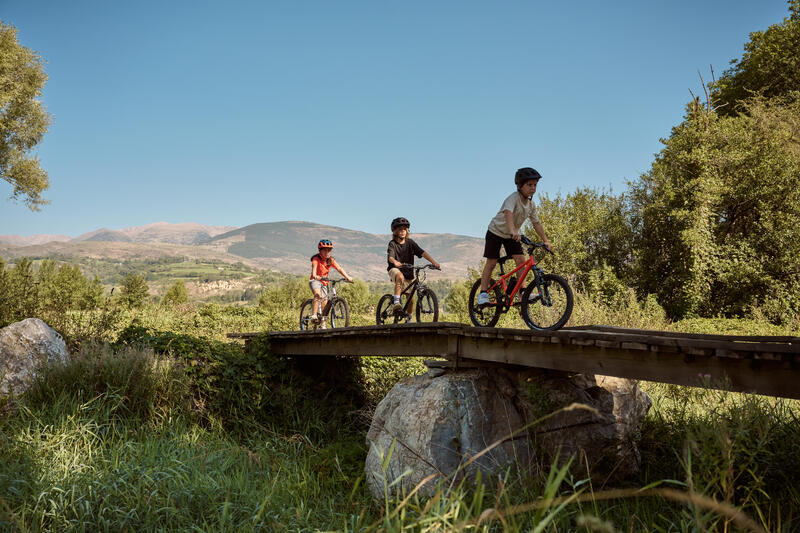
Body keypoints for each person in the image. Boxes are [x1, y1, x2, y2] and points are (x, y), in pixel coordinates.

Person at [476, 167, 552, 305]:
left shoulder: (531, 205)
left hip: (511, 235)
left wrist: (546, 241)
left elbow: (536, 223)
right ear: (519, 185)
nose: (533, 188)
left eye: (535, 185)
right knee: (492, 262)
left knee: (521, 260)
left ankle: (522, 293)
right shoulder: (513, 198)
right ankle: (482, 294)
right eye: (529, 185)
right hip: (496, 232)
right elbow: (508, 213)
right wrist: (513, 230)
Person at [386, 217, 440, 314]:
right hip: (394, 269)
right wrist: (395, 262)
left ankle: (409, 319)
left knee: (411, 299)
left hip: (408, 272)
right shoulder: (392, 244)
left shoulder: (410, 243)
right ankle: (396, 303)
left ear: (407, 231)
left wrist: (434, 262)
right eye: (400, 229)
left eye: (404, 229)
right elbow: (390, 257)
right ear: (395, 231)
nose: (402, 231)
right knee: (399, 277)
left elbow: (422, 252)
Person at [309, 239, 353, 323]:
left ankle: (323, 324)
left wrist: (347, 277)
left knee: (325, 302)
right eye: (325, 250)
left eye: (329, 250)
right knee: (318, 295)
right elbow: (314, 270)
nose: (327, 252)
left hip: (324, 282)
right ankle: (314, 315)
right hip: (315, 280)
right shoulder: (316, 259)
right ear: (320, 251)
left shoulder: (331, 260)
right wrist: (316, 276)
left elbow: (339, 268)